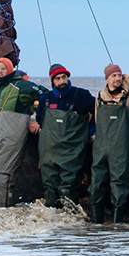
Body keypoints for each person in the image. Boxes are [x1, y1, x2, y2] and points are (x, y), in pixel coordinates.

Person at [0, 56, 45, 208]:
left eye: (3, 68)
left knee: (3, 176)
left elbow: (46, 96)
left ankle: (3, 213)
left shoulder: (22, 85)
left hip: (11, 136)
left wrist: (39, 120)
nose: (0, 72)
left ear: (10, 70)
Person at [90, 63, 129, 225]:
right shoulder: (100, 97)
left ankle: (118, 227)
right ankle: (97, 225)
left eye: (119, 75)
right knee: (96, 186)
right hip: (101, 150)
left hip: (123, 152)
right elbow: (97, 123)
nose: (117, 78)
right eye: (113, 76)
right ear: (107, 79)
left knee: (119, 189)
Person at [34, 64, 95, 209]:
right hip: (49, 152)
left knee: (69, 187)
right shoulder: (45, 100)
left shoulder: (82, 96)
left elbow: (98, 113)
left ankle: (71, 224)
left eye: (64, 77)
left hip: (72, 151)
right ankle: (55, 224)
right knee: (50, 189)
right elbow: (39, 120)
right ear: (52, 82)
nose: (62, 81)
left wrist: (89, 131)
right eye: (58, 78)